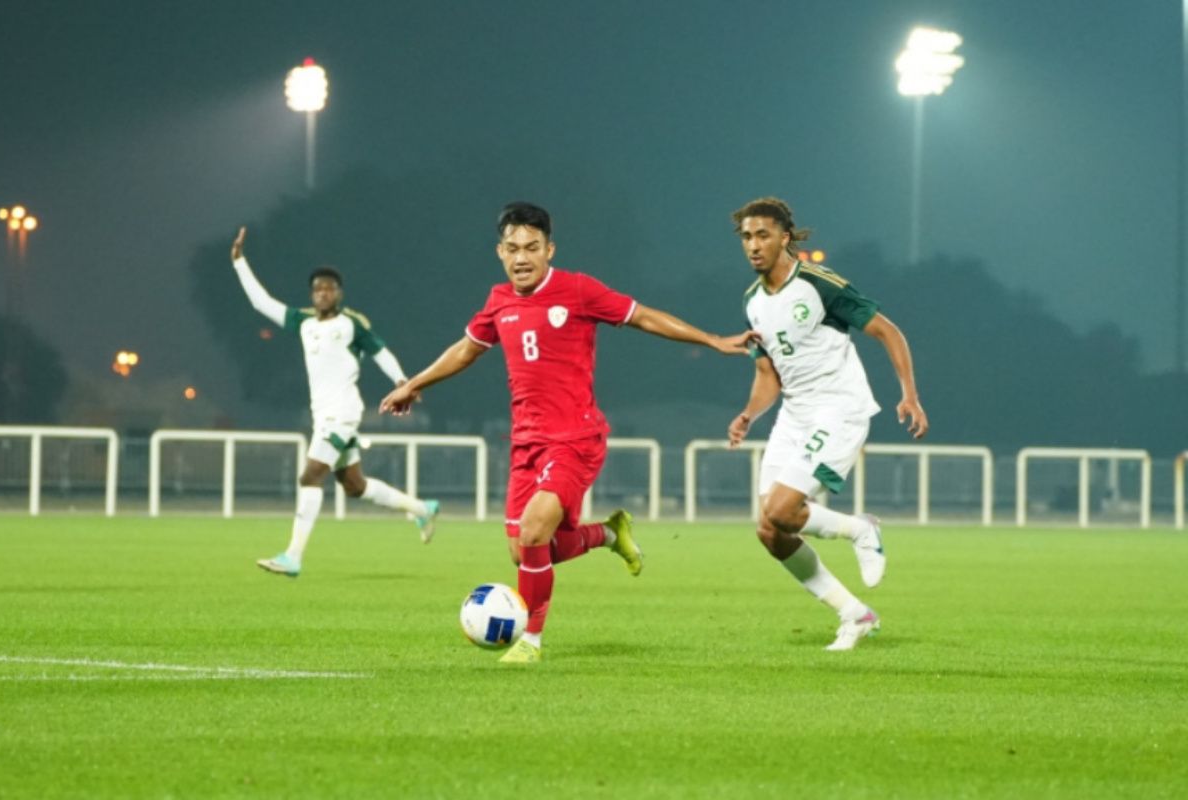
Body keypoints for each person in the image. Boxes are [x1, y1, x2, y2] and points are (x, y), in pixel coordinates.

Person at [381, 202, 755, 664]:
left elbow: (643, 316)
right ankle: (609, 535)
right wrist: (413, 385)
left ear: (549, 249)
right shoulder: (499, 300)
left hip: (575, 438)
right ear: (500, 251)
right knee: (525, 552)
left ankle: (530, 641)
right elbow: (465, 350)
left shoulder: (577, 290)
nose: (522, 257)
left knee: (536, 530)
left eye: (532, 248)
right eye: (513, 248)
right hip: (525, 443)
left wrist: (712, 340)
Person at [726, 197, 928, 651]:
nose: (753, 245)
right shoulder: (752, 301)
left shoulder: (818, 284)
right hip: (795, 414)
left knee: (782, 511)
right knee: (769, 530)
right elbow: (767, 374)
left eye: (762, 235)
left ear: (784, 237)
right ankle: (855, 615)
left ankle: (862, 529)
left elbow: (887, 331)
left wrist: (909, 394)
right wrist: (747, 415)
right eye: (746, 237)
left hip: (839, 408)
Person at [230, 226, 439, 578]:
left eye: (328, 288)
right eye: (317, 289)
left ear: (339, 293)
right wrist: (239, 263)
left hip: (342, 414)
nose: (322, 293)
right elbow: (261, 303)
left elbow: (380, 351)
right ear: (312, 294)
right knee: (354, 485)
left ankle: (293, 556)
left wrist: (403, 381)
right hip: (323, 416)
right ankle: (421, 508)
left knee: (311, 474)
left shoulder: (351, 325)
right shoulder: (303, 322)